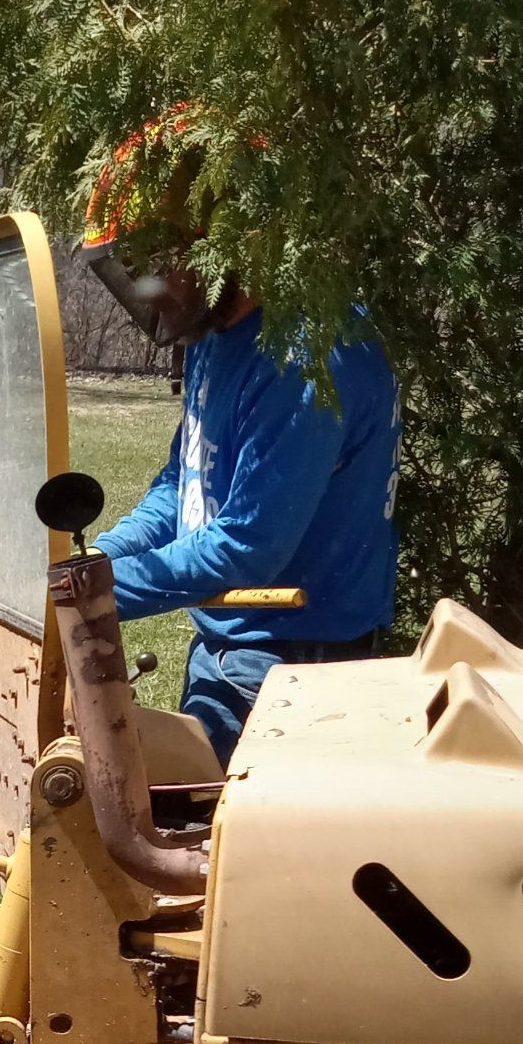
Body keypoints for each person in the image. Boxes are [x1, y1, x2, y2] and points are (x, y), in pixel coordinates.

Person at [47, 107, 402, 764]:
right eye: (135, 264)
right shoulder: (215, 327)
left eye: (158, 263)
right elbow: (184, 482)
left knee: (204, 823)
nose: (147, 288)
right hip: (226, 647)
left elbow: (248, 545)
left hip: (297, 670)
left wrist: (97, 595)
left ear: (224, 244)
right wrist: (100, 561)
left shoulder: (306, 359)